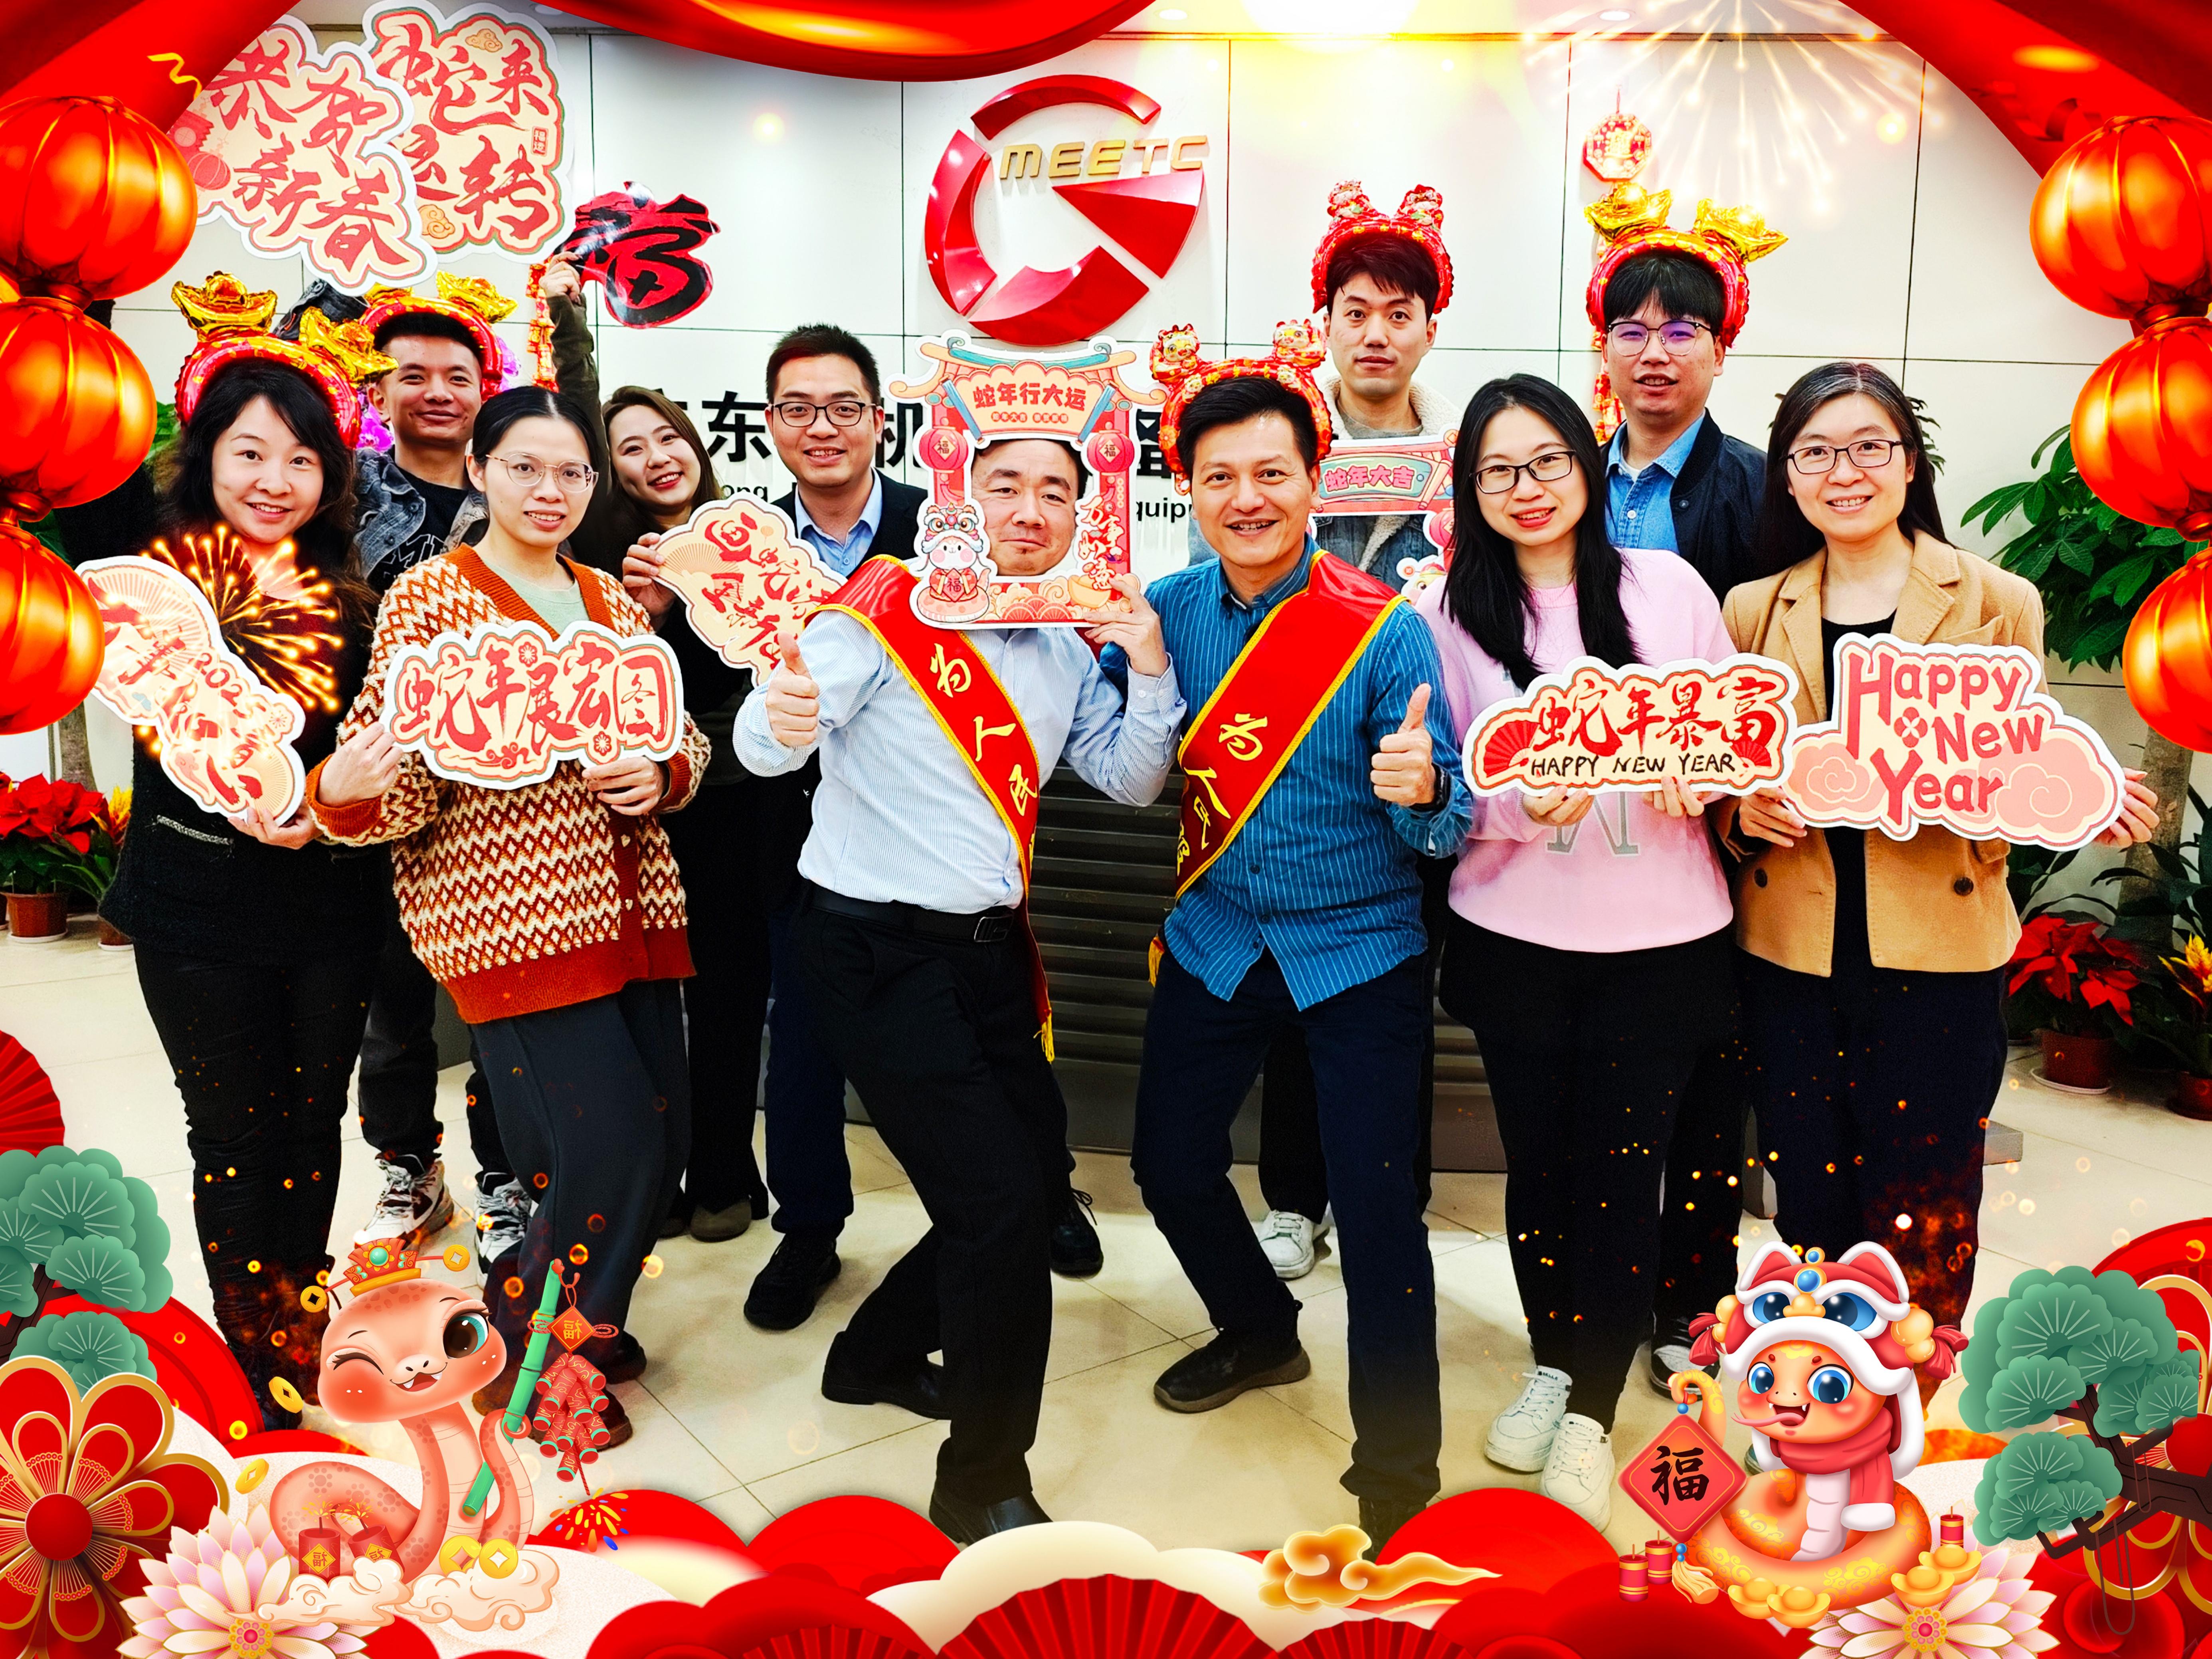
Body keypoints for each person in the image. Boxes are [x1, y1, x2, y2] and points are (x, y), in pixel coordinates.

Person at [735, 436, 1182, 1543]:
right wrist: (775, 715)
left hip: (986, 952)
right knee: (996, 1210)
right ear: (957, 496)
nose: (1029, 510)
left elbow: (1129, 780)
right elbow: (767, 744)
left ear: (1080, 513)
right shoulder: (880, 607)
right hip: (872, 950)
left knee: (1028, 1185)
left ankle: (874, 1354)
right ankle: (980, 1477)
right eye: (1004, 485)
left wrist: (1148, 663)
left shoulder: (1066, 645)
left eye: (1054, 491)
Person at [626, 324, 1108, 1318]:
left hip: (943, 845)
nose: (823, 428)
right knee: (801, 1049)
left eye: (845, 407)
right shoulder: (734, 548)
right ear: (768, 425)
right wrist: (661, 620)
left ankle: (1044, 1190)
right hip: (785, 838)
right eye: (798, 409)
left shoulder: (952, 529)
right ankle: (809, 1231)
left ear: (881, 421)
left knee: (999, 1042)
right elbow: (718, 705)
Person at [1720, 362, 2159, 1350]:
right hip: (1790, 952)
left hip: (1940, 954)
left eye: (1867, 446)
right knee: (1808, 1184)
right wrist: (1742, 810)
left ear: (1909, 462)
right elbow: (1726, 771)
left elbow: (2010, 766)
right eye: (1814, 451)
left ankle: (1909, 1383)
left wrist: (2072, 796)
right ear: (1786, 474)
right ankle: (1820, 1380)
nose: (1843, 472)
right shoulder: (1750, 608)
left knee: (1925, 1195)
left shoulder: (1996, 599)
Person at [309, 386, 712, 1449]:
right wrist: (344, 789)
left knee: (656, 1138)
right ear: (480, 471)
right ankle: (539, 1362)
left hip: (633, 912)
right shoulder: (433, 600)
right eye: (524, 466)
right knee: (610, 1148)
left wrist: (663, 771)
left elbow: (677, 733)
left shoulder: (610, 600)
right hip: (515, 925)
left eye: (571, 471)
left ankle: (561, 1318)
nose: (549, 490)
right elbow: (395, 782)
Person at [1125, 323, 1468, 1552]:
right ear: (1188, 489)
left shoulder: (1383, 628)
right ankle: (1259, 1329)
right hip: (1219, 936)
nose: (1246, 498)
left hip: (1358, 948)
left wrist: (1422, 792)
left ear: (1314, 480)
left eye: (1270, 472)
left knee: (1376, 1216)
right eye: (1217, 476)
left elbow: (1444, 820)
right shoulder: (1164, 612)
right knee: (1167, 1162)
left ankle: (1397, 1468)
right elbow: (1126, 758)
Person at [1419, 373, 1739, 1530]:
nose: (1526, 487)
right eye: (1497, 469)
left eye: (1547, 460)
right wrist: (1515, 805)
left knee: (1619, 1170)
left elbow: (1735, 742)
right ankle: (1553, 1359)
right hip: (1515, 940)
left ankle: (1591, 1408)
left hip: (1661, 943)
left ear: (1585, 466)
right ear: (1468, 488)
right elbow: (1440, 784)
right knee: (1539, 1168)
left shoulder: (1668, 587)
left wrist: (1706, 780)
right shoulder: (1444, 612)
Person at [77, 277, 390, 1427]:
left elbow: (372, 759)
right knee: (233, 1134)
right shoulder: (150, 573)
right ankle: (254, 1355)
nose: (274, 480)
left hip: (328, 910)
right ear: (205, 452)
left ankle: (296, 1327)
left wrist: (337, 801)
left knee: (311, 1126)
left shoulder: (351, 596)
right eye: (250, 452)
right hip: (195, 911)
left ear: (330, 476)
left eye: (302, 460)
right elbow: (83, 445)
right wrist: (85, 298)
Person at [1586, 196, 1785, 1391]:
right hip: (1571, 833)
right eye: (1630, 328)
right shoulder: (1558, 472)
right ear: (1602, 346)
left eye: (1680, 330)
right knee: (1594, 1095)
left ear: (1719, 349)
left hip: (1709, 832)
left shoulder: (1761, 489)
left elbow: (1784, 667)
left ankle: (1688, 1308)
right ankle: (1587, 1306)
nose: (1653, 351)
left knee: (1708, 1085)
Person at [1248, 181, 1457, 1282]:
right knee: (1291, 989)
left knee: (1395, 999)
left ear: (1429, 328)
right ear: (1322, 322)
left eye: (1398, 314)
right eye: (1355, 312)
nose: (1375, 333)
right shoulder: (1280, 445)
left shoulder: (1464, 460)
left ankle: (1388, 1197)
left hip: (1414, 761)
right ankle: (1292, 1197)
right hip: (1287, 766)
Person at [347, 275, 528, 1267]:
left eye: (457, 375)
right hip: (381, 776)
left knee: (497, 1003)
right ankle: (409, 1169)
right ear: (377, 391)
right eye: (410, 375)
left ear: (483, 389)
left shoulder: (516, 488)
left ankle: (506, 1175)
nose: (436, 392)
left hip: (492, 794)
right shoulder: (343, 494)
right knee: (392, 1001)